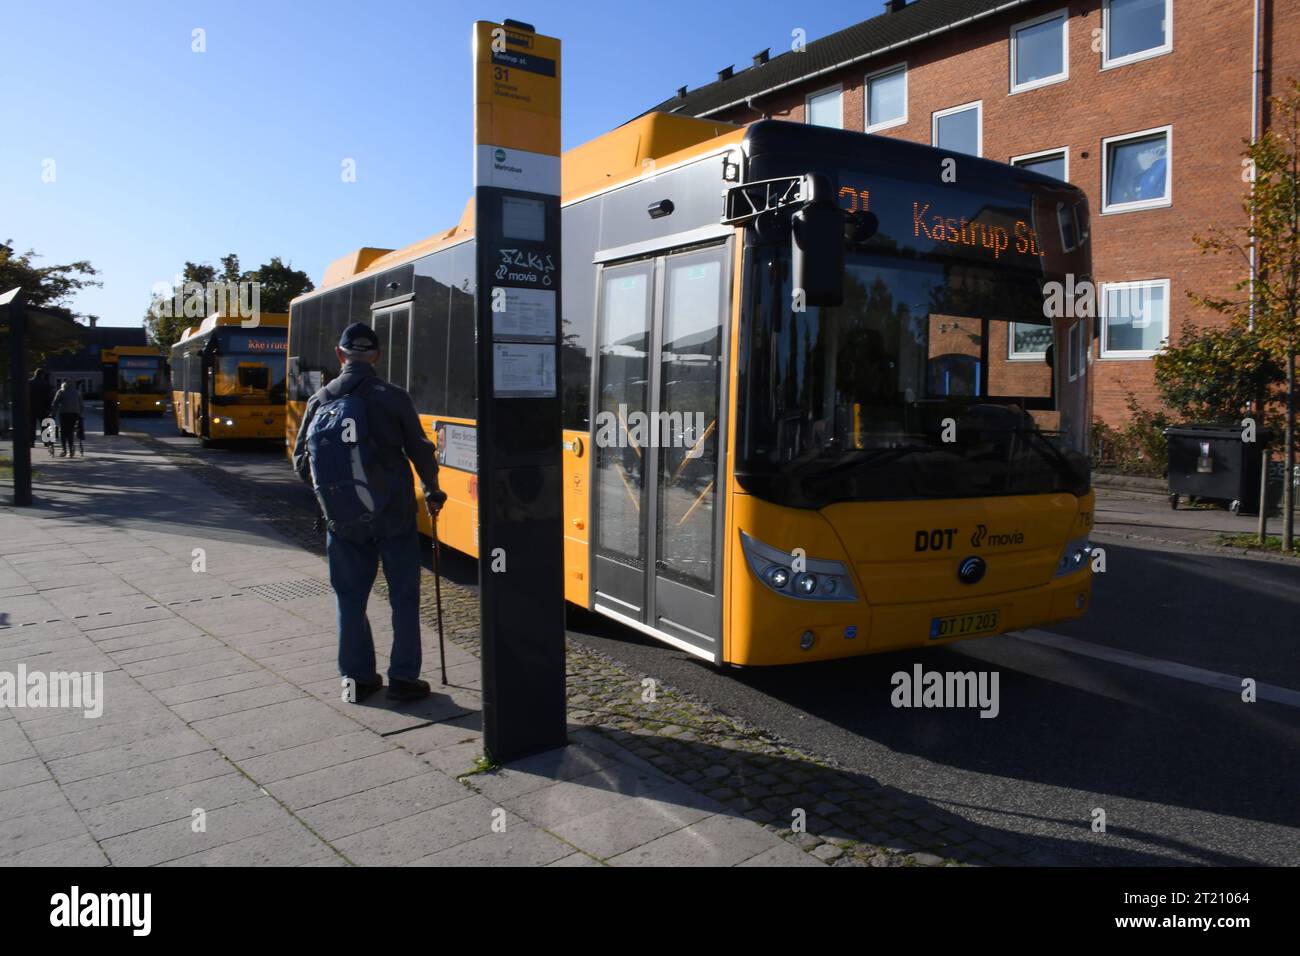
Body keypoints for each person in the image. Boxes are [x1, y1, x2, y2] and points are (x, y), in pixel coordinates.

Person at [292, 323, 446, 703]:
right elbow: (420, 449)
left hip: (343, 519)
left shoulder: (319, 400)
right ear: (376, 356)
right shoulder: (394, 397)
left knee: (349, 597)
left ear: (340, 354)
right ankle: (404, 679)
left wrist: (336, 494)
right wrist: (431, 489)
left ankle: (357, 679)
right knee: (404, 597)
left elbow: (300, 461)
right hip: (394, 513)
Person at [48, 380, 84, 458]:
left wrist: (53, 414)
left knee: (64, 431)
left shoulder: (61, 391)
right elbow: (81, 404)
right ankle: (71, 449)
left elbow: (55, 403)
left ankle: (64, 450)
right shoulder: (77, 392)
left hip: (64, 413)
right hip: (75, 413)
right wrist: (81, 415)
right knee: (70, 430)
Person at [28, 369, 53, 447]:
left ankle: (31, 441)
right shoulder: (45, 384)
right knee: (45, 424)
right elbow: (49, 397)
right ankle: (46, 441)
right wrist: (49, 408)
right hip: (43, 407)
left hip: (31, 407)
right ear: (42, 375)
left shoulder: (29, 383)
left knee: (31, 425)